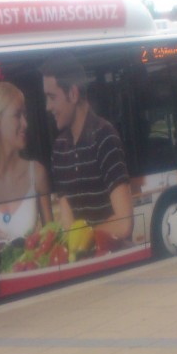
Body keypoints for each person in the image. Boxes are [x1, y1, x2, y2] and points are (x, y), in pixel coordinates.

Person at [41, 55, 133, 241]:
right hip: (83, 262)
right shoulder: (59, 150)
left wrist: (81, 238)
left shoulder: (105, 137)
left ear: (73, 94)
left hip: (113, 260)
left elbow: (124, 224)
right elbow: (68, 225)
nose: (47, 107)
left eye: (52, 97)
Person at [0, 81, 52, 246]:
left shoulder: (37, 173)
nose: (25, 124)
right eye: (17, 115)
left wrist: (38, 242)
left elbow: (52, 236)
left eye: (25, 115)